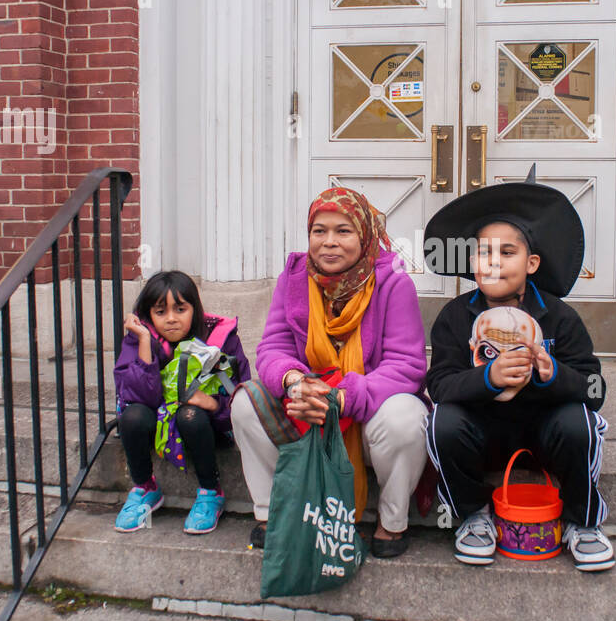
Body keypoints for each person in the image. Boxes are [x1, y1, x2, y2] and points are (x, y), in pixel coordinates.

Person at [422, 167, 613, 571]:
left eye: (507, 253)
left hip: (546, 434)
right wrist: (487, 378)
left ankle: (583, 521)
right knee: (442, 421)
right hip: (482, 434)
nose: (493, 263)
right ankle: (473, 515)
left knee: (580, 420)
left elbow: (594, 388)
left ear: (532, 263)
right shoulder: (456, 317)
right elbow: (438, 385)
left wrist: (553, 374)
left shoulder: (559, 319)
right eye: (483, 252)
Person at [231, 187, 428, 559]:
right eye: (319, 231)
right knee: (245, 403)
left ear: (364, 235)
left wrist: (342, 397)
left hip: (366, 415)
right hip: (308, 405)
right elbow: (273, 349)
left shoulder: (393, 282)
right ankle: (274, 514)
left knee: (407, 417)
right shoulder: (294, 279)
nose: (329, 242)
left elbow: (407, 366)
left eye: (343, 231)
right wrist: (295, 382)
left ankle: (391, 522)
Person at [112, 270, 249, 535]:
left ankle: (211, 492)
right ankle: (145, 488)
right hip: (158, 424)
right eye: (160, 312)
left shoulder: (220, 339)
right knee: (133, 416)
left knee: (190, 414)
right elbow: (136, 397)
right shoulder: (140, 337)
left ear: (194, 309)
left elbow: (241, 397)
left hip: (205, 426)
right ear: (148, 315)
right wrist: (143, 342)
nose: (171, 319)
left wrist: (213, 404)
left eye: (180, 309)